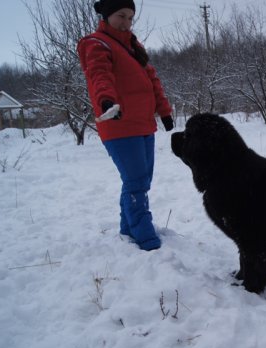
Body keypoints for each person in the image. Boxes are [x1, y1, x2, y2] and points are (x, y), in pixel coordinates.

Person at [77, 0, 174, 251]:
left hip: (143, 124)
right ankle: (145, 237)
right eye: (121, 16)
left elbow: (152, 79)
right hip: (119, 124)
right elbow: (100, 75)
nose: (126, 22)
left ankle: (127, 229)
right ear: (107, 15)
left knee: (140, 180)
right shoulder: (95, 43)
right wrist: (106, 100)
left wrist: (164, 111)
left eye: (131, 17)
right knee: (136, 181)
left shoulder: (133, 45)